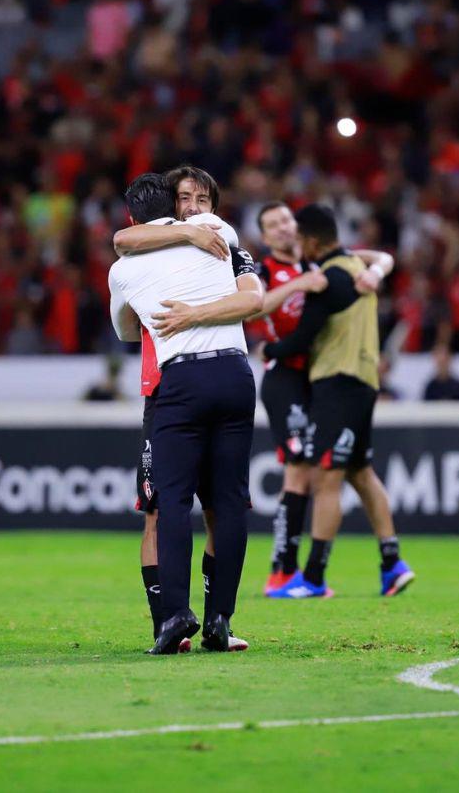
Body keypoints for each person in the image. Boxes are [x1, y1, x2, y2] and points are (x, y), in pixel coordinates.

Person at [109, 173, 262, 655]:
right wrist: (190, 233)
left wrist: (183, 312)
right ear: (173, 210)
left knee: (170, 503)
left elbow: (127, 331)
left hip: (179, 384)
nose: (195, 209)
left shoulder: (123, 269)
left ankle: (175, 615)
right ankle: (219, 619)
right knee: (229, 503)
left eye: (201, 201)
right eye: (185, 202)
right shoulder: (217, 232)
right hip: (236, 375)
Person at [260, 204, 414, 599]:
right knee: (361, 472)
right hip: (365, 378)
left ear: (310, 240)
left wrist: (272, 349)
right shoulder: (353, 267)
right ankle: (391, 563)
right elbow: (382, 257)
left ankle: (312, 577)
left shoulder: (326, 279)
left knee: (325, 478)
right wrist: (379, 270)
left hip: (336, 381)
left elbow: (302, 338)